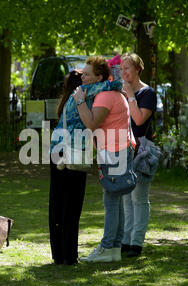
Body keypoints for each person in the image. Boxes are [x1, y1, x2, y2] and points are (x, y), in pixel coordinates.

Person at [49, 70, 122, 265]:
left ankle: (58, 254)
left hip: (56, 149)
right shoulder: (83, 92)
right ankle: (69, 255)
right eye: (84, 76)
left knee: (56, 202)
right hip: (75, 151)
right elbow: (115, 84)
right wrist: (109, 73)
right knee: (72, 204)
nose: (85, 79)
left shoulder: (65, 102)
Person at [73, 56, 136, 263]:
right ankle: (114, 248)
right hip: (117, 149)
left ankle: (107, 246)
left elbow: (91, 123)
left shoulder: (105, 96)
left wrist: (80, 100)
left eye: (87, 74)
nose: (83, 76)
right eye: (82, 73)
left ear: (99, 77)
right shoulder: (114, 92)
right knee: (115, 200)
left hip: (113, 151)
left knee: (110, 201)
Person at [120, 53, 157, 257]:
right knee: (125, 197)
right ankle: (126, 240)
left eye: (127, 68)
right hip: (122, 148)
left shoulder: (147, 93)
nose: (124, 72)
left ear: (137, 69)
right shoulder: (121, 92)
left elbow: (139, 120)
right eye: (121, 68)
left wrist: (130, 95)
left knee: (139, 198)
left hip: (141, 150)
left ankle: (137, 242)